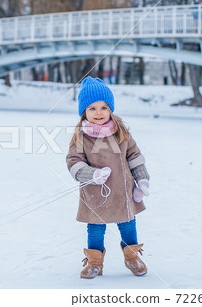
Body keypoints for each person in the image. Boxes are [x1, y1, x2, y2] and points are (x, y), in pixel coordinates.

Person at [66, 77, 150, 279]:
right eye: (92, 108)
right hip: (96, 192)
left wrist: (142, 179)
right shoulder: (81, 136)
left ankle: (132, 256)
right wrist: (91, 175)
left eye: (103, 107)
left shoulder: (121, 133)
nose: (98, 113)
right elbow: (73, 161)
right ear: (84, 111)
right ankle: (95, 262)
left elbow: (134, 156)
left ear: (110, 109)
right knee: (95, 228)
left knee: (128, 224)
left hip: (122, 191)